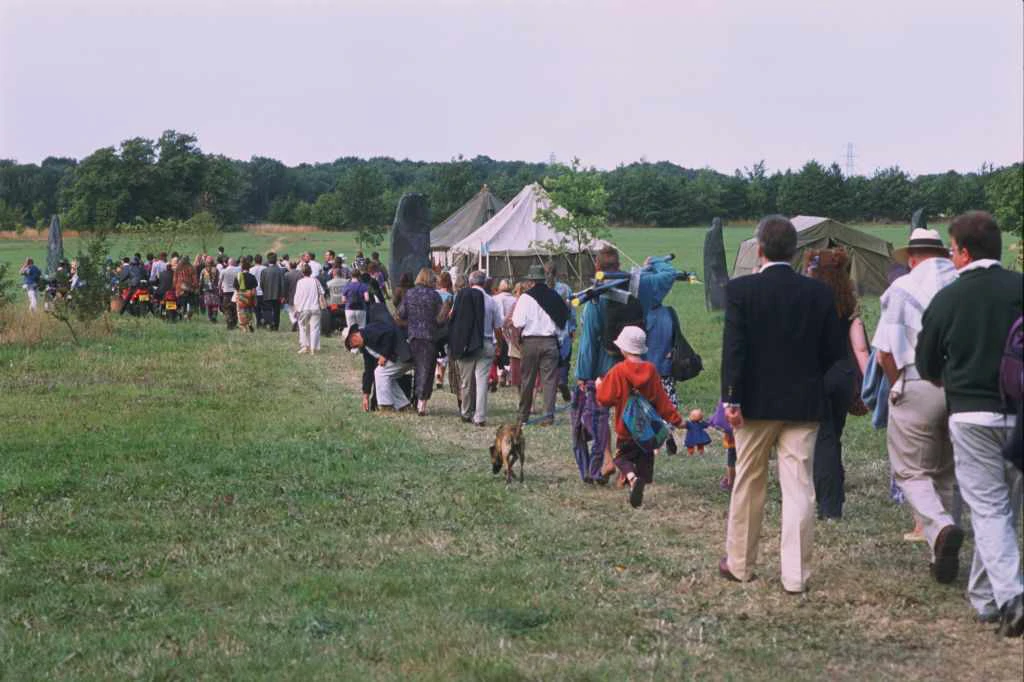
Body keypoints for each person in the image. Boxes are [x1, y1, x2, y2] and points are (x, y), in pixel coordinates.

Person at [719, 215, 845, 595]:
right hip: (803, 404)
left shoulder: (740, 290)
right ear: (794, 251)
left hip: (753, 405)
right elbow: (834, 353)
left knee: (748, 481)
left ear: (759, 249)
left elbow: (734, 350)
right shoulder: (818, 293)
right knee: (799, 487)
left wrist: (731, 397)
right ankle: (796, 575)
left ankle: (740, 565)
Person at [917, 211, 1023, 636]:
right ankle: (985, 599)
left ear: (962, 253)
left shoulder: (948, 299)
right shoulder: (1019, 288)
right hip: (1019, 413)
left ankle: (1012, 596)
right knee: (1002, 510)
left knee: (989, 508)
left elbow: (927, 364)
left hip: (970, 414)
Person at [871, 228, 962, 582]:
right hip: (960, 385)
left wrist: (897, 383)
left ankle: (939, 527)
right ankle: (941, 554)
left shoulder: (902, 288)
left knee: (910, 470)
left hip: (917, 380)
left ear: (912, 258)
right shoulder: (961, 284)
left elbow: (885, 352)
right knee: (946, 471)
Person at [803, 247, 871, 520]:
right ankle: (836, 492)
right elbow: (860, 348)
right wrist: (870, 383)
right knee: (834, 436)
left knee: (823, 440)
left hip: (817, 375)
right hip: (843, 376)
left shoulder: (807, 302)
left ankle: (829, 506)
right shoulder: (849, 304)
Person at [595, 326, 683, 508]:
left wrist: (599, 386)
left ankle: (632, 479)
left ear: (623, 349)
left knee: (621, 458)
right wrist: (677, 420)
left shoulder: (618, 371)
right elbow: (662, 400)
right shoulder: (651, 370)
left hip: (626, 428)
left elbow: (604, 399)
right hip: (647, 430)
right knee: (644, 464)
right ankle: (638, 482)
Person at [511, 264, 568, 426]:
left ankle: (523, 416)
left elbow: (518, 322)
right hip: (550, 341)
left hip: (530, 342)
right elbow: (562, 323)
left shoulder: (525, 298)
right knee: (549, 382)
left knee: (527, 380)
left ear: (531, 281)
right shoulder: (555, 296)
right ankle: (548, 416)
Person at [449, 270, 501, 427]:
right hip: (486, 342)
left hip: (467, 344)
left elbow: (452, 316)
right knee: (482, 382)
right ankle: (480, 416)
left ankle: (465, 412)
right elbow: (497, 327)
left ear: (470, 283)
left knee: (466, 382)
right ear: (485, 283)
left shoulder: (462, 297)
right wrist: (498, 344)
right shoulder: (492, 301)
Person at [397, 268, 444, 416]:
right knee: (427, 370)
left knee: (417, 368)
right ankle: (421, 402)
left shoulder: (409, 293)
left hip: (413, 337)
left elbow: (400, 314)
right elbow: (440, 320)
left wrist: (410, 323)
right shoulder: (435, 296)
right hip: (429, 337)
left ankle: (414, 398)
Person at [343, 322, 414, 412]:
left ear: (354, 335)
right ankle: (403, 406)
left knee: (380, 373)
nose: (353, 346)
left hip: (404, 354)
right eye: (350, 346)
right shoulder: (365, 349)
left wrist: (384, 355)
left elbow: (390, 332)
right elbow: (368, 371)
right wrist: (366, 395)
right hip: (398, 359)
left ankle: (386, 406)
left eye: (351, 342)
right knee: (385, 377)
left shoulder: (370, 331)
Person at [293, 264, 324, 353]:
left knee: (303, 328)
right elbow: (321, 293)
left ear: (302, 273)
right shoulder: (316, 281)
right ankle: (313, 348)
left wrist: (296, 309)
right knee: (315, 329)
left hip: (303, 308)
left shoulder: (300, 282)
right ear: (311, 272)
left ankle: (305, 346)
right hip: (315, 307)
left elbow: (297, 297)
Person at [259, 252, 285, 331]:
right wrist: (282, 295)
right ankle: (276, 326)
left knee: (268, 311)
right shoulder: (280, 271)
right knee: (277, 311)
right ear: (276, 260)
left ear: (268, 260)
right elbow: (282, 284)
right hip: (277, 295)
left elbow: (261, 284)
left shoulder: (264, 271)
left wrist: (265, 291)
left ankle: (270, 324)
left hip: (267, 294)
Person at [234, 256, 259, 332]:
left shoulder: (238, 276)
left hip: (241, 296)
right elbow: (254, 289)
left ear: (242, 268)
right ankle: (250, 323)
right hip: (249, 296)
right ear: (249, 268)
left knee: (241, 312)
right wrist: (255, 299)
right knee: (249, 311)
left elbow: (236, 288)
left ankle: (244, 327)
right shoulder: (252, 277)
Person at [173, 254, 199, 320]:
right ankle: (187, 316)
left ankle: (183, 315)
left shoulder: (178, 268)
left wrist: (174, 286)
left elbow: (175, 279)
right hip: (188, 288)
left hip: (180, 289)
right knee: (191, 304)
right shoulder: (191, 268)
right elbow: (195, 280)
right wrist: (195, 286)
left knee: (181, 304)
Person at [324, 267, 347, 335]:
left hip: (334, 306)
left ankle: (332, 329)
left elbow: (326, 294)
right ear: (341, 274)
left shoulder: (329, 283)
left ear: (333, 274)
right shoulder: (346, 282)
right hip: (345, 305)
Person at [220, 257, 241, 330]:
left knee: (227, 309)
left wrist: (220, 291)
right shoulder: (238, 270)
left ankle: (229, 322)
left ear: (228, 263)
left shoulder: (223, 271)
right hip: (235, 292)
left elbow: (220, 283)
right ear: (234, 263)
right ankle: (234, 323)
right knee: (235, 309)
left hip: (226, 292)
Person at [284, 260, 304, 332]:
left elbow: (285, 286)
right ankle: (298, 322)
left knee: (290, 311)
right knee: (299, 310)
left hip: (290, 295)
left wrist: (284, 296)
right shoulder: (301, 274)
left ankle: (294, 321)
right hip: (300, 295)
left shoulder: (287, 275)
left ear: (290, 266)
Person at [199, 256, 220, 322]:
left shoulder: (203, 270)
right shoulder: (216, 270)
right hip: (215, 289)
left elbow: (201, 281)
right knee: (215, 304)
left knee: (208, 304)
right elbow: (218, 279)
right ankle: (214, 316)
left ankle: (209, 317)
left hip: (206, 289)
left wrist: (200, 289)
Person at [250, 253, 266, 326]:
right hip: (263, 291)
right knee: (264, 309)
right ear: (261, 260)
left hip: (255, 291)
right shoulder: (265, 268)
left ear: (254, 261)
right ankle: (263, 321)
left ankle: (258, 322)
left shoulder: (251, 269)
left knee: (256, 309)